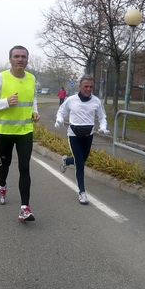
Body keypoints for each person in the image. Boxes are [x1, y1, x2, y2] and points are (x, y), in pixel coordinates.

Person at [0, 45, 40, 221]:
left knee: (24, 167)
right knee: (5, 165)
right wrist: (6, 102)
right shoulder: (1, 78)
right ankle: (2, 185)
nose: (20, 59)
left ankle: (25, 208)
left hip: (25, 130)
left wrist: (35, 111)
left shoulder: (31, 78)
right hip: (5, 130)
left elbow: (32, 98)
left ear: (27, 60)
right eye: (16, 56)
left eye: (23, 56)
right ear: (10, 59)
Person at [54, 75, 109, 205]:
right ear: (80, 87)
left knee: (82, 160)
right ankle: (82, 192)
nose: (88, 89)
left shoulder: (96, 101)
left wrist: (103, 127)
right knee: (80, 164)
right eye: (86, 86)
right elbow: (61, 111)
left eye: (91, 87)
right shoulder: (71, 100)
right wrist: (59, 120)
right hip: (74, 135)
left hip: (88, 135)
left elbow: (102, 117)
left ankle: (67, 161)